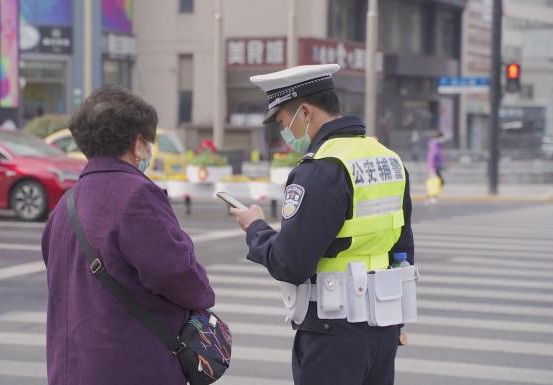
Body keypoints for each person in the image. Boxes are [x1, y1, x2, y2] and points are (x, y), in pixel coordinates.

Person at [230, 64, 414, 385]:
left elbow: (289, 264)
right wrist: (395, 323)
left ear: (304, 112)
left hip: (334, 331)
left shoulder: (320, 169)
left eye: (283, 121)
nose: (284, 131)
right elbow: (402, 248)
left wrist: (255, 228)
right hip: (382, 326)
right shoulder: (387, 158)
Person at [41, 86, 215, 385]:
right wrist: (203, 294)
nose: (148, 150)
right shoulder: (136, 196)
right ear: (137, 143)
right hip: (130, 364)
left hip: (70, 367)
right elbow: (175, 274)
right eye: (149, 142)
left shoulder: (66, 204)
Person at [426, 131, 445, 203]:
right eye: (442, 137)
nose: (443, 139)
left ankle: (432, 196)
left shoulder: (437, 145)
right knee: (435, 182)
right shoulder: (434, 145)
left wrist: (444, 165)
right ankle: (431, 197)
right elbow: (431, 157)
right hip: (433, 167)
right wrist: (431, 168)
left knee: (438, 182)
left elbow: (439, 156)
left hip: (437, 166)